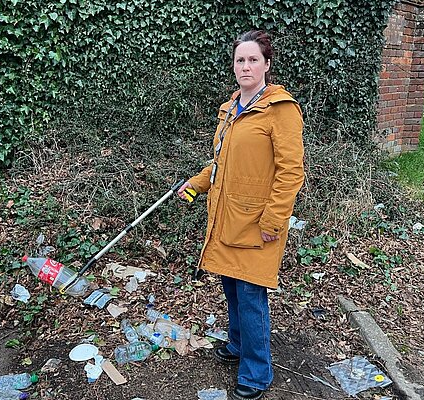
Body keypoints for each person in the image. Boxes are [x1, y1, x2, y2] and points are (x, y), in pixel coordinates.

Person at [178, 30, 304, 400]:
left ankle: (256, 373)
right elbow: (220, 163)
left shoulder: (280, 109)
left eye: (253, 59)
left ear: (267, 64)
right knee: (231, 286)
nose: (245, 66)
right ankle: (237, 347)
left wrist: (273, 221)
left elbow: (291, 171)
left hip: (258, 221)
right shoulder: (231, 107)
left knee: (251, 295)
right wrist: (196, 184)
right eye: (240, 60)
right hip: (226, 215)